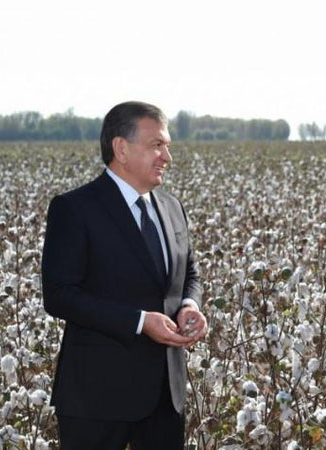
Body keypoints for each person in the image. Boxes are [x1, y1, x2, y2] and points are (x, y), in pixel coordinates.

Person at [41, 101, 208, 449]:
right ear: (121, 148)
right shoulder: (75, 209)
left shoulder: (172, 207)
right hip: (96, 398)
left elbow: (189, 272)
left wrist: (189, 305)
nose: (167, 157)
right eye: (156, 145)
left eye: (167, 146)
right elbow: (59, 294)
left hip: (166, 397)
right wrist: (139, 321)